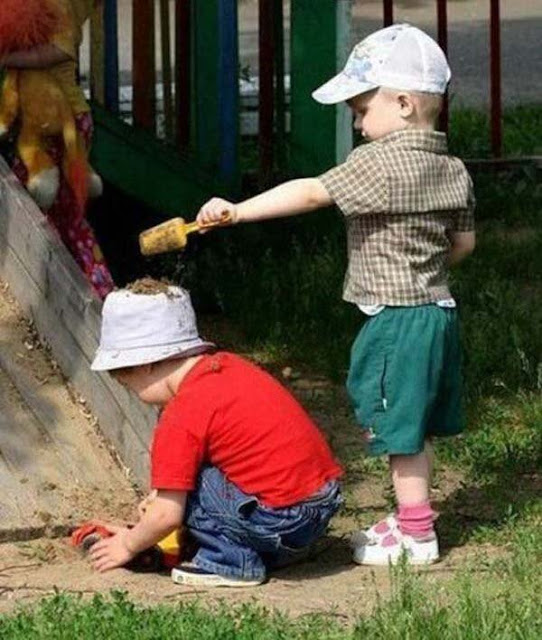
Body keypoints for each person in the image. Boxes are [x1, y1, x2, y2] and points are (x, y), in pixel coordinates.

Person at [195, 24, 476, 565]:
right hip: (438, 311)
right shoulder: (454, 169)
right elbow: (463, 243)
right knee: (413, 422)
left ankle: (416, 536)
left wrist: (238, 210)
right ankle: (412, 517)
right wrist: (423, 269)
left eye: (361, 109)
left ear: (402, 103)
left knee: (398, 429)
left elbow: (311, 192)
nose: (357, 122)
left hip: (397, 320)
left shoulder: (378, 162)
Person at [88, 280, 343, 587]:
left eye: (128, 385)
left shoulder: (181, 413)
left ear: (144, 364)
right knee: (196, 477)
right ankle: (278, 550)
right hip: (320, 505)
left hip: (281, 520)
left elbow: (166, 515)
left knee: (192, 483)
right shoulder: (231, 367)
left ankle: (230, 562)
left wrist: (127, 544)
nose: (135, 394)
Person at [1, 0, 114, 299]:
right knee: (50, 217)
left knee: (66, 219)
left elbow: (61, 49)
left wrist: (8, 59)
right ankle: (75, 297)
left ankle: (102, 296)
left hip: (63, 121)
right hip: (40, 123)